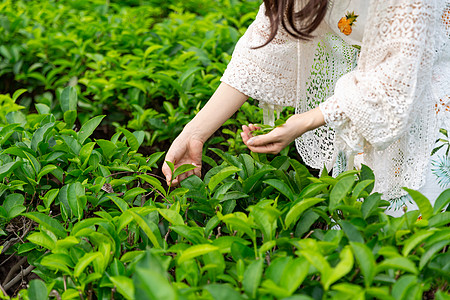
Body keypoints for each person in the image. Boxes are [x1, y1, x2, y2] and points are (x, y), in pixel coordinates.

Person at [163, 0, 449, 217]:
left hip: (428, 110)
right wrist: (194, 134)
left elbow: (399, 72)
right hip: (362, 110)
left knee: (416, 243)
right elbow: (266, 48)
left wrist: (307, 120)